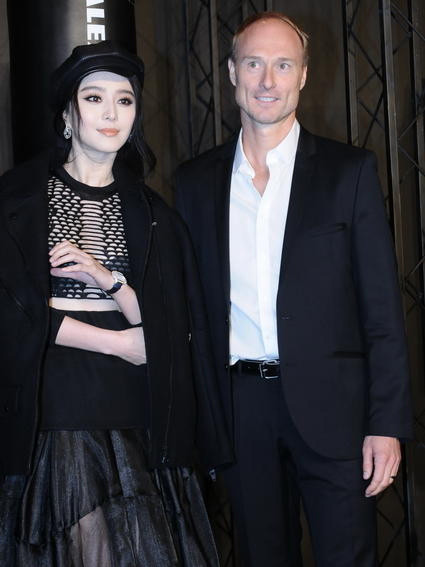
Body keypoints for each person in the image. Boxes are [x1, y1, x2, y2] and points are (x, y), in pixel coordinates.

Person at [175, 11, 413, 567]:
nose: (267, 81)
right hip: (241, 413)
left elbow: (382, 310)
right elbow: (189, 311)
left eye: (283, 65)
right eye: (254, 64)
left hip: (336, 413)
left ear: (303, 75)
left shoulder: (349, 172)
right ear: (231, 72)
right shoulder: (195, 182)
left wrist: (386, 424)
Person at [0, 40, 232, 567]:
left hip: (135, 406)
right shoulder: (19, 198)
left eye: (124, 100)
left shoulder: (154, 213)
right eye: (94, 98)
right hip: (57, 402)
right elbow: (14, 315)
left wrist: (108, 279)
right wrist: (116, 344)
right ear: (67, 115)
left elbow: (166, 323)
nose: (111, 113)